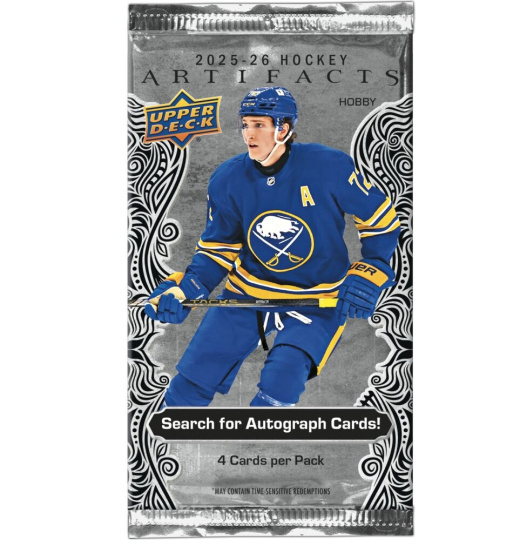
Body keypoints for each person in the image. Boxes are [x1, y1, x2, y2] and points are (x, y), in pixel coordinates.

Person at [145, 86, 400, 407]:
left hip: (316, 300)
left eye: (259, 125)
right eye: (245, 124)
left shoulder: (329, 166)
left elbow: (380, 220)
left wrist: (372, 268)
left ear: (284, 128)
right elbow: (217, 250)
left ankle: (263, 438)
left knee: (282, 382)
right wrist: (185, 289)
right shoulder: (227, 178)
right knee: (189, 385)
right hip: (246, 294)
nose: (249, 134)